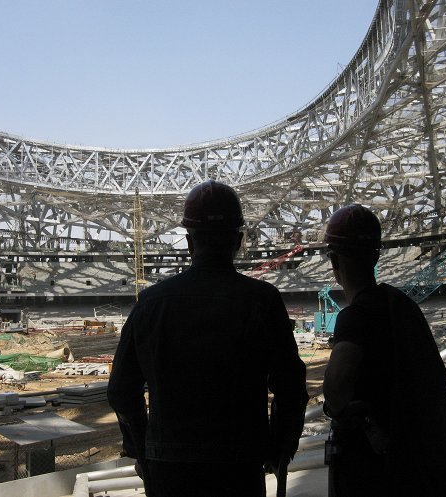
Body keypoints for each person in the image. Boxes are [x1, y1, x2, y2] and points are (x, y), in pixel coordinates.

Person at [107, 180, 308, 497]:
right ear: (238, 240)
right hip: (239, 467)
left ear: (189, 242)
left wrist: (141, 447)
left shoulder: (150, 304)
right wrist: (279, 447)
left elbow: (120, 390)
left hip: (168, 468)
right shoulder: (262, 301)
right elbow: (291, 387)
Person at [322, 204, 446, 497]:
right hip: (418, 466)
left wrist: (334, 405)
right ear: (376, 255)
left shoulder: (355, 316)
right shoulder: (401, 306)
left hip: (373, 471)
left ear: (334, 262)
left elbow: (336, 390)